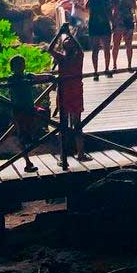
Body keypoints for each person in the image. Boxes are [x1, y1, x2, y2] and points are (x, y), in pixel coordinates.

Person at [48, 23, 88, 168]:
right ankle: (63, 155)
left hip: (75, 92)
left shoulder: (78, 57)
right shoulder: (61, 58)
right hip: (65, 93)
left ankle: (80, 152)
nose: (69, 42)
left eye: (70, 41)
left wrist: (68, 35)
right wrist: (60, 34)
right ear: (63, 46)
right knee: (63, 125)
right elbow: (49, 49)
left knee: (77, 123)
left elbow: (80, 48)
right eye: (67, 42)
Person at [7, 54, 41, 174]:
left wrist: (48, 76)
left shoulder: (28, 75)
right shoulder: (11, 78)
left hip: (29, 108)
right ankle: (28, 162)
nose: (20, 67)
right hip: (19, 110)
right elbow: (14, 83)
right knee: (22, 136)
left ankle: (34, 137)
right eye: (17, 65)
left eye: (22, 64)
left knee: (40, 118)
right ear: (12, 68)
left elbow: (37, 77)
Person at [86, 0, 113, 78]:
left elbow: (109, 11)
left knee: (106, 48)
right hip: (94, 24)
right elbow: (86, 7)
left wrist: (112, 22)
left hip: (104, 24)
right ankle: (95, 71)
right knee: (95, 49)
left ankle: (107, 68)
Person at [110, 0, 136, 69]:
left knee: (128, 43)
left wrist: (129, 3)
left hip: (128, 20)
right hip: (118, 20)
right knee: (116, 43)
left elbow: (134, 7)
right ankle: (114, 64)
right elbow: (111, 6)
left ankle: (129, 64)